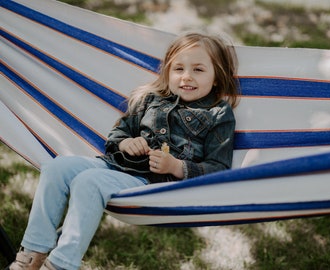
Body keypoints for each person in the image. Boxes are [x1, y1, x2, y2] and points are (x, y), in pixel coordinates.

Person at [10, 32, 240, 270]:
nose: (187, 77)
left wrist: (177, 167)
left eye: (199, 70)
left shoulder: (218, 113)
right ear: (168, 72)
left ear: (216, 77)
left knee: (89, 182)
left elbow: (219, 168)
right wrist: (124, 143)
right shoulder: (151, 99)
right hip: (116, 163)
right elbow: (119, 132)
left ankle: (61, 264)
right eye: (179, 69)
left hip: (150, 181)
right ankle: (32, 253)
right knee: (56, 166)